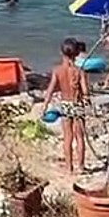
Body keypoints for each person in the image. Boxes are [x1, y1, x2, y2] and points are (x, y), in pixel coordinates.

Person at [43, 38, 90, 174]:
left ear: (61, 53)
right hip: (77, 103)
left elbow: (50, 90)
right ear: (77, 54)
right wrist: (86, 97)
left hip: (66, 104)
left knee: (67, 137)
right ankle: (81, 166)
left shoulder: (57, 70)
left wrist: (45, 105)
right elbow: (86, 91)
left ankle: (69, 167)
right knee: (79, 137)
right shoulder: (80, 71)